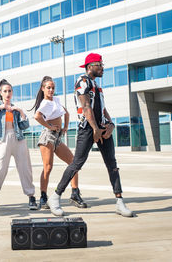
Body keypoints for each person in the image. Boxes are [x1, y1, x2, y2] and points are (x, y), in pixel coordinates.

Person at [47, 53, 134, 217]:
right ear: (89, 66)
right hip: (88, 128)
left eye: (102, 64)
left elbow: (102, 109)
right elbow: (86, 106)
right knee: (77, 163)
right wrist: (95, 129)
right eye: (99, 64)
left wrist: (111, 124)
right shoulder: (82, 81)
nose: (102, 67)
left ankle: (120, 202)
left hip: (102, 127)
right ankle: (55, 197)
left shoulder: (97, 86)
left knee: (112, 164)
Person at [30, 76, 87, 209]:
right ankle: (43, 197)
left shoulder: (56, 100)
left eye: (53, 88)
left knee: (73, 163)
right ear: (43, 89)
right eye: (48, 87)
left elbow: (66, 113)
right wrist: (49, 127)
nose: (51, 90)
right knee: (48, 167)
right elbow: (37, 116)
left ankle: (74, 193)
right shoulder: (44, 103)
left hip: (57, 137)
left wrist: (65, 127)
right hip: (48, 137)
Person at [0, 79, 38, 211]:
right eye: (5, 91)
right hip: (3, 139)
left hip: (18, 138)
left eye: (10, 91)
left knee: (25, 168)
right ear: (1, 93)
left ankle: (31, 197)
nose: (8, 93)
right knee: (0, 168)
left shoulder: (15, 108)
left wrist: (21, 112)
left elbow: (24, 126)